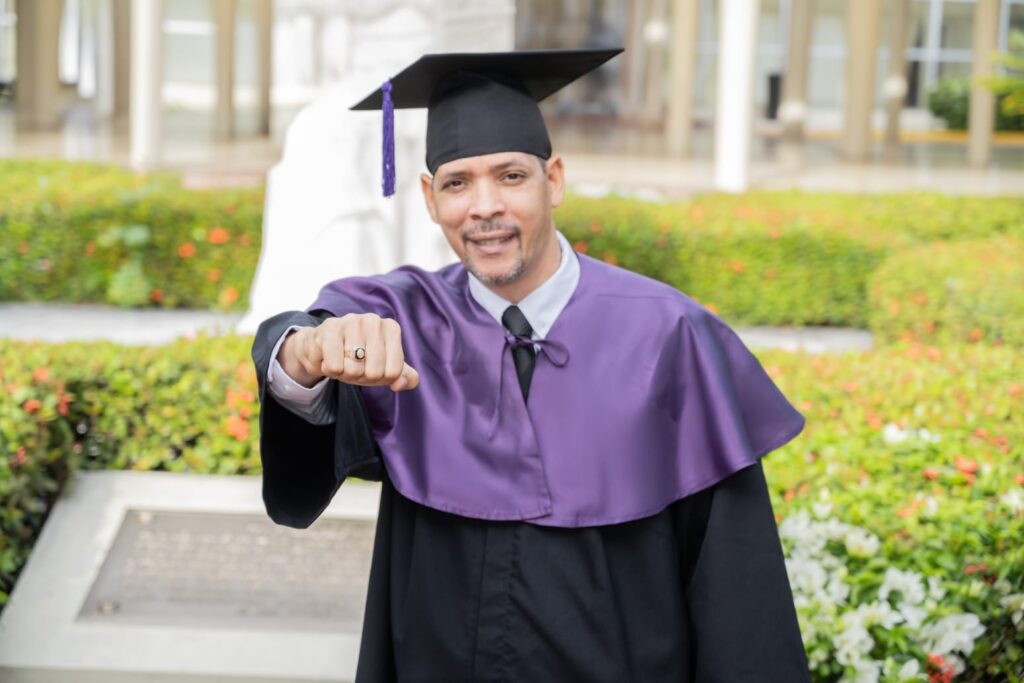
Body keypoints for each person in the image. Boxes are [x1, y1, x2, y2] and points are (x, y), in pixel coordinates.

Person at [251, 48, 812, 682]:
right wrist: (307, 353)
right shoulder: (402, 321)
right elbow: (298, 340)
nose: (484, 206)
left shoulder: (669, 336)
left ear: (555, 180)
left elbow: (739, 595)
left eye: (511, 176)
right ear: (431, 200)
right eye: (458, 183)